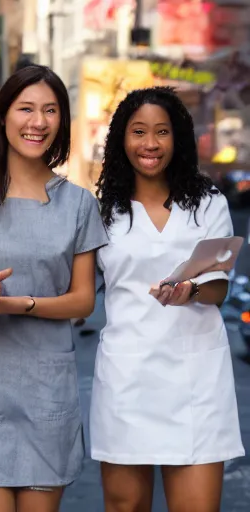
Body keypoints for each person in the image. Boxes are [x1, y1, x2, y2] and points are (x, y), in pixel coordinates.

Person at [0, 64, 108, 512]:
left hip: (47, 386)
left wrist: (18, 303)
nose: (38, 122)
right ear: (2, 116)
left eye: (51, 111)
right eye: (26, 108)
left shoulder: (78, 204)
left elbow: (83, 302)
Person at [92, 86, 245, 512]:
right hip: (127, 379)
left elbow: (219, 287)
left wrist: (190, 291)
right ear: (121, 139)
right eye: (138, 131)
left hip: (195, 379)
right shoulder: (103, 211)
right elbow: (78, 289)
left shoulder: (208, 203)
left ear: (177, 138)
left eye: (162, 132)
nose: (150, 144)